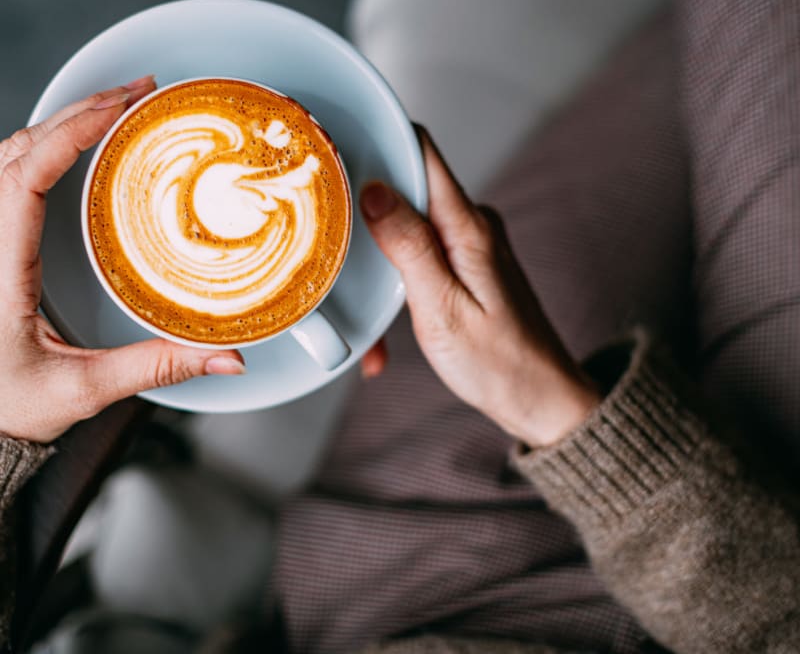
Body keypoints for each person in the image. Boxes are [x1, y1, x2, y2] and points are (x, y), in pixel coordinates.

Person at [0, 76, 797, 654]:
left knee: (658, 93)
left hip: (367, 568)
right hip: (719, 576)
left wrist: (3, 431)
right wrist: (568, 421)